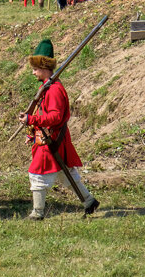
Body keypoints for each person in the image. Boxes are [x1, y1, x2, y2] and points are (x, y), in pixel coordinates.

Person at [19, 40, 99, 219]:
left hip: (52, 139)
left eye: (35, 69)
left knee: (37, 174)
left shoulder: (54, 90)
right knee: (66, 174)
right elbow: (43, 113)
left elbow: (55, 117)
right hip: (49, 138)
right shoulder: (47, 87)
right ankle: (89, 202)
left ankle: (37, 213)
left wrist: (31, 119)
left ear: (44, 67)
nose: (33, 72)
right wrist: (32, 133)